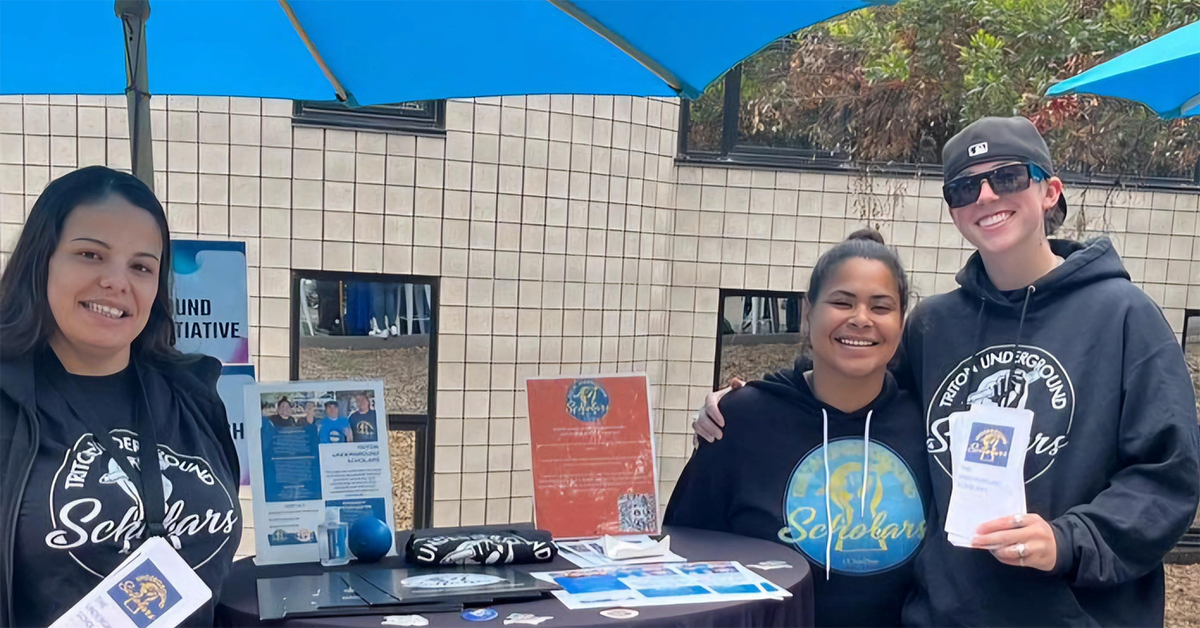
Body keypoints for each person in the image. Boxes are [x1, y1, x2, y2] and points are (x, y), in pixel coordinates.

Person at [692, 117, 1200, 628]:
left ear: (1050, 191)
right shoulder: (935, 324)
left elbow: (1169, 473)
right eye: (963, 187)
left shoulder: (1125, 315)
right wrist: (756, 399)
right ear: (954, 210)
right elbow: (863, 387)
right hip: (945, 614)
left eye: (1006, 178)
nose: (984, 195)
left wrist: (1068, 539)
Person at [0, 166, 241, 628]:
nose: (117, 281)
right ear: (42, 260)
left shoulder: (194, 396)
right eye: (91, 254)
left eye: (141, 266)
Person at [665, 229, 931, 628]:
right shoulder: (739, 421)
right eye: (842, 302)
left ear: (901, 320)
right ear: (808, 311)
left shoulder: (928, 426)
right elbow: (684, 554)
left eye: (881, 307)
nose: (860, 319)